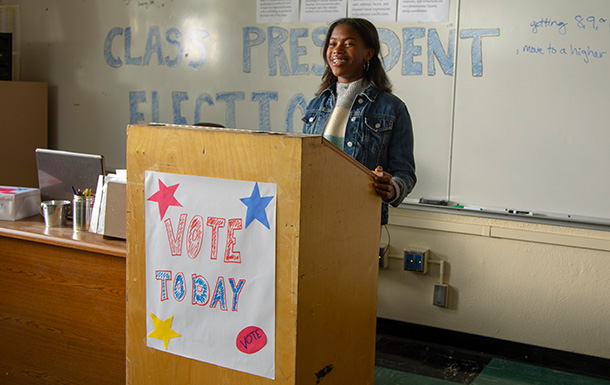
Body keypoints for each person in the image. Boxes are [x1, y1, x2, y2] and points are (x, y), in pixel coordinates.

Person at [302, 17, 416, 225]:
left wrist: (392, 188)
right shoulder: (316, 105)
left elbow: (405, 173)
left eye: (348, 44)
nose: (337, 50)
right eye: (332, 43)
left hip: (360, 219)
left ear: (368, 54)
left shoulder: (392, 108)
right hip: (313, 213)